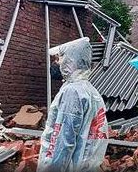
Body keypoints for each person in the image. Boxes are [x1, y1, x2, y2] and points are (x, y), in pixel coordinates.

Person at [38, 37, 109, 172]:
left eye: (59, 58)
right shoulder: (91, 92)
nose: (56, 62)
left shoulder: (72, 92)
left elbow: (63, 141)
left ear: (70, 61)